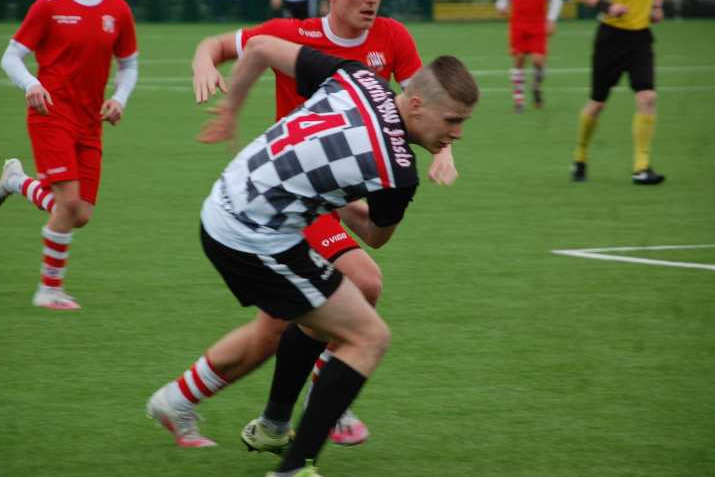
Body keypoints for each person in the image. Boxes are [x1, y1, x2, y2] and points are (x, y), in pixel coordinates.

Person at [148, 34, 479, 477]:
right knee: (368, 337)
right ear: (416, 104)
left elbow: (262, 47)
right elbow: (376, 236)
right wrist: (336, 197)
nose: (456, 134)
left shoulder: (359, 76)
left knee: (325, 308)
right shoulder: (399, 171)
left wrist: (232, 110)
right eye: (453, 121)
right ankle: (293, 468)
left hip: (231, 197)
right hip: (251, 235)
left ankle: (271, 425)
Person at [185, 0, 459, 449]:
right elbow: (219, 46)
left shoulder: (394, 38)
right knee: (362, 284)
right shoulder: (296, 33)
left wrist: (443, 150)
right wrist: (205, 64)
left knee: (281, 329)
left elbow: (425, 105)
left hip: (332, 197)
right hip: (291, 197)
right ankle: (321, 406)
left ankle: (242, 415)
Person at [0, 0, 139, 309]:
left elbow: (130, 65)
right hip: (50, 114)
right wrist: (31, 85)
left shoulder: (117, 10)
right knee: (68, 203)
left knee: (80, 213)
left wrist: (119, 98)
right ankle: (48, 290)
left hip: (90, 122)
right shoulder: (49, 5)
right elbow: (11, 56)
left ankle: (16, 181)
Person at [571, 0, 665, 185]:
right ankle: (580, 155)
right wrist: (607, 6)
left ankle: (642, 167)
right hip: (610, 38)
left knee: (647, 97)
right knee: (597, 104)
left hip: (640, 38)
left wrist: (657, 6)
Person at [495, 0, 562, 111]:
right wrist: (501, 6)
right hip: (518, 24)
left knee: (538, 61)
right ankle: (519, 101)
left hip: (538, 24)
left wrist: (551, 19)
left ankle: (537, 87)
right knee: (518, 59)